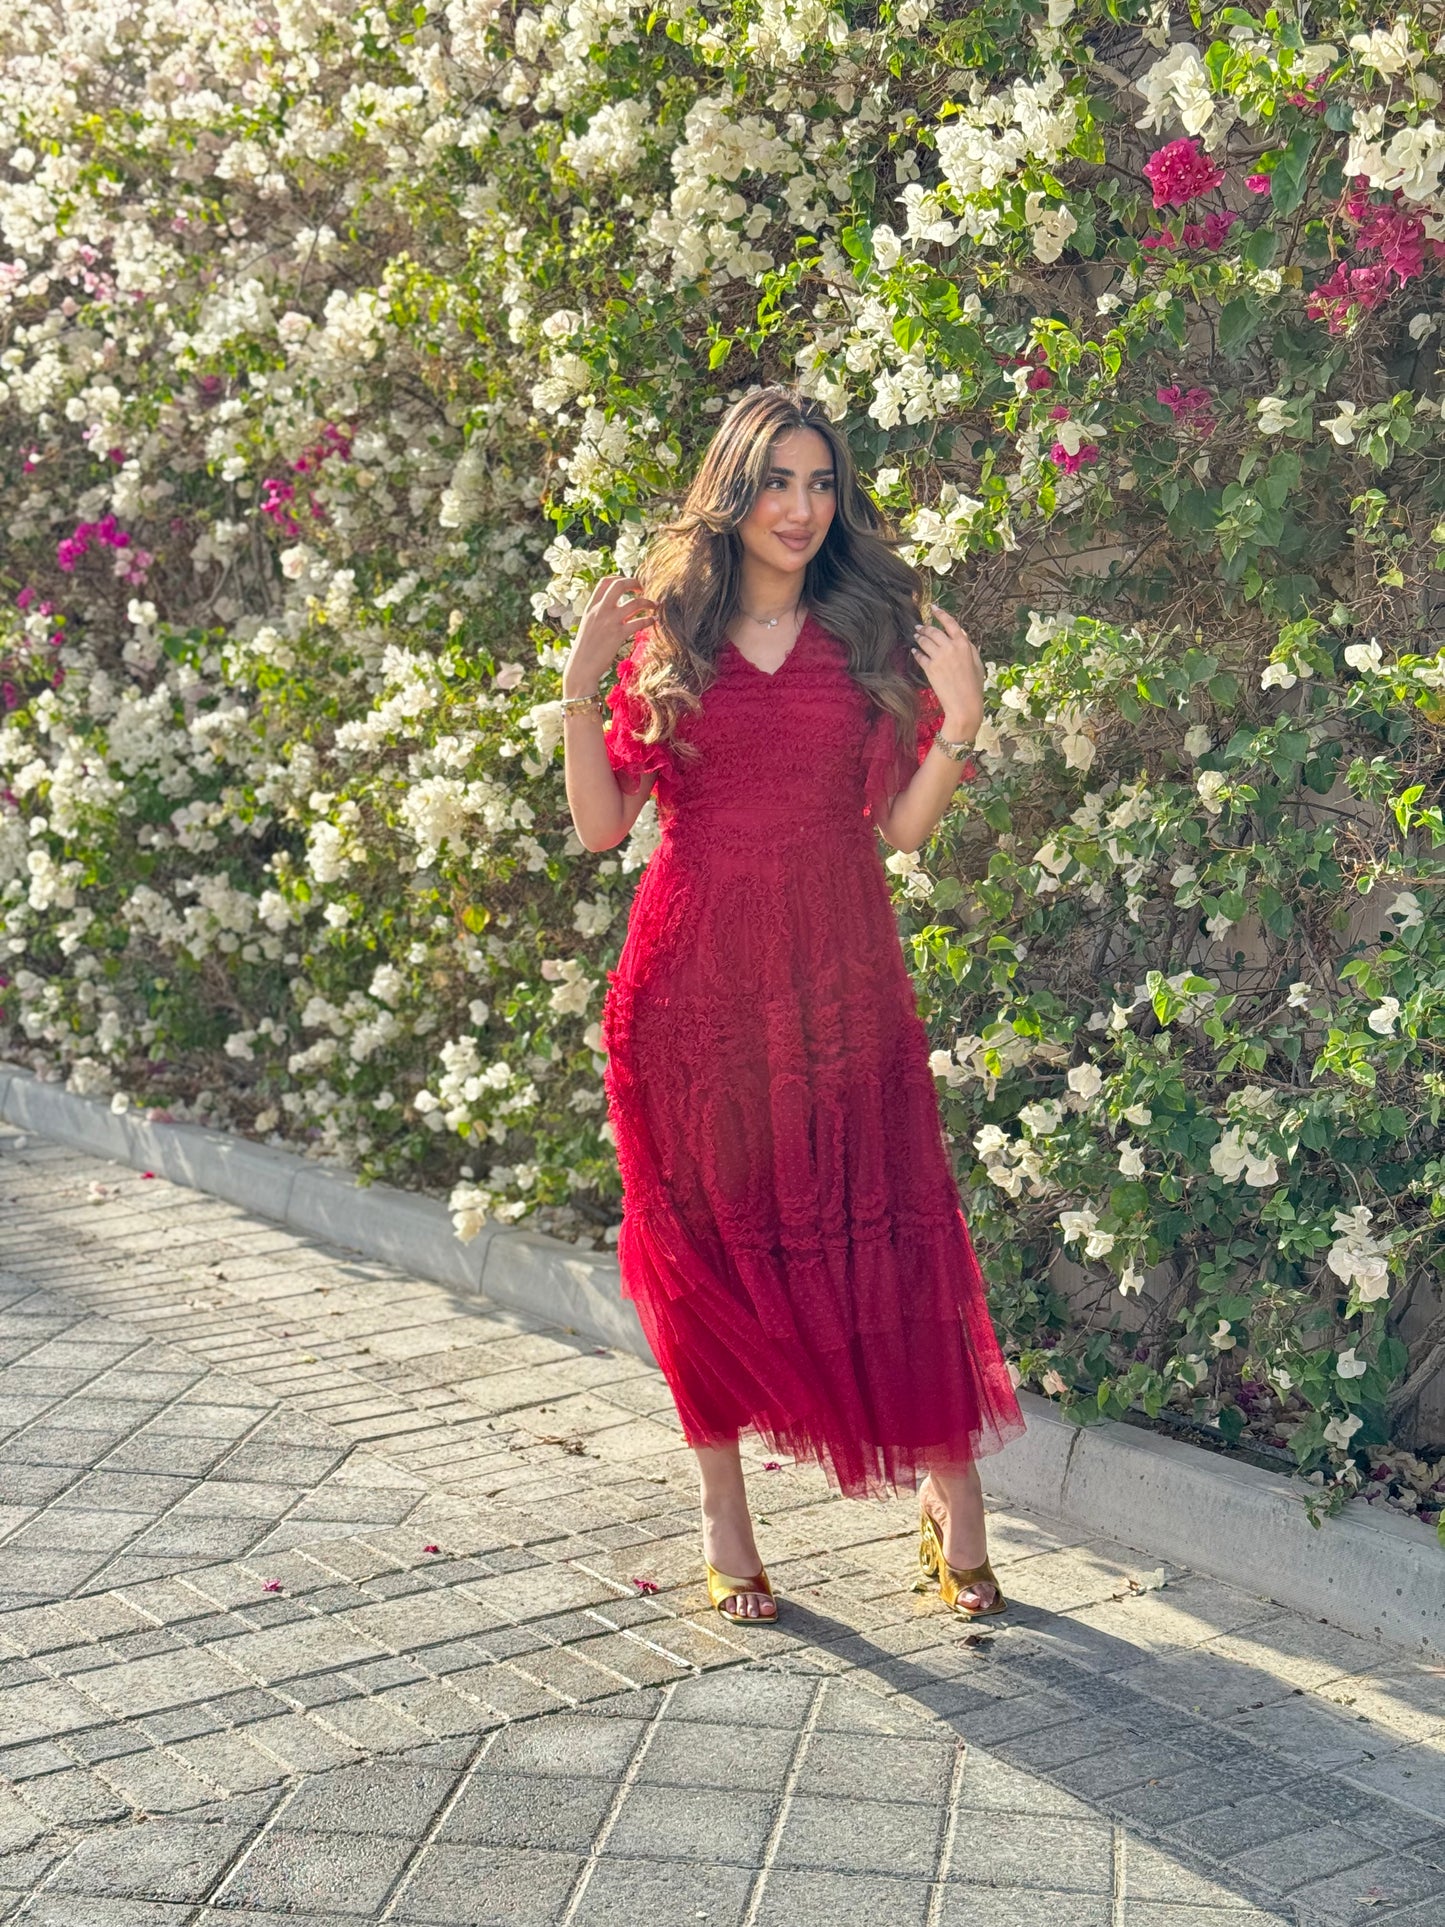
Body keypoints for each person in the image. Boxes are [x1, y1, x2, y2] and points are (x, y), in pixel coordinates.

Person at [560, 386, 1024, 1626]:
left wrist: (960, 727)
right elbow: (603, 832)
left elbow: (903, 829)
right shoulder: (672, 638)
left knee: (893, 1224)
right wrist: (577, 691)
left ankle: (951, 1502)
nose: (803, 509)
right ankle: (724, 1512)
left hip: (840, 981)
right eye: (778, 482)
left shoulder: (869, 632)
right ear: (733, 491)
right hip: (689, 989)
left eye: (821, 485)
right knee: (703, 1248)